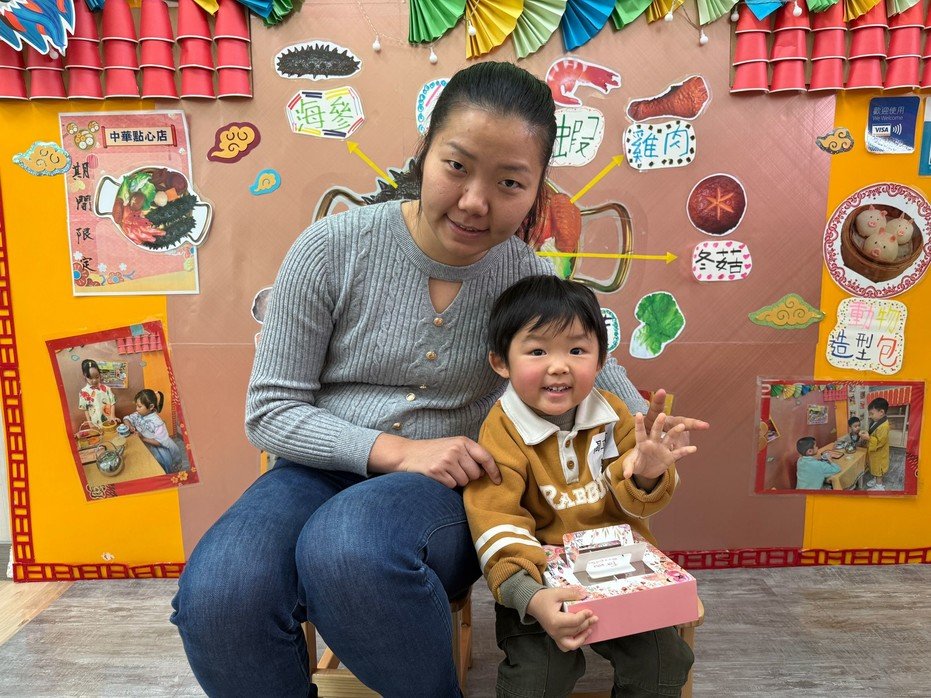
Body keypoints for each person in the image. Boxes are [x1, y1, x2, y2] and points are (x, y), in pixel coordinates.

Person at [171, 61, 706, 698]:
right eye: (456, 166)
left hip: (451, 492)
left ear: (537, 191)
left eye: (510, 183)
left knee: (349, 549)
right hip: (313, 473)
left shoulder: (524, 278)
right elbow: (271, 412)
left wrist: (648, 433)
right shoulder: (330, 249)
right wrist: (397, 451)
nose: (475, 202)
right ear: (424, 153)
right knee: (221, 593)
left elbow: (601, 377)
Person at [464, 275, 697, 697]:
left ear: (601, 359)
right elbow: (496, 519)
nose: (559, 366)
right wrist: (530, 596)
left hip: (619, 570)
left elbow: (637, 505)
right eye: (537, 351)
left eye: (577, 350)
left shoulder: (616, 414)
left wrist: (647, 473)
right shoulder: (501, 430)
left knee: (665, 661)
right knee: (538, 678)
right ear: (501, 362)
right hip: (541, 579)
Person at [122, 389, 183, 473]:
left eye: (139, 406)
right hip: (144, 444)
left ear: (151, 407)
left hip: (158, 449)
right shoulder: (138, 414)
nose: (136, 409)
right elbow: (126, 418)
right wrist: (130, 425)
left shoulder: (157, 423)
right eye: (136, 406)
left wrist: (142, 438)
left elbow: (159, 442)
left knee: (159, 468)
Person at [859, 397, 890, 491]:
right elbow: (873, 433)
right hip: (875, 452)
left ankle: (879, 486)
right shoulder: (877, 421)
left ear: (881, 412)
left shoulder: (884, 426)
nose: (870, 416)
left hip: (879, 453)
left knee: (878, 469)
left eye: (872, 414)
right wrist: (867, 434)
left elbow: (880, 442)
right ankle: (876, 480)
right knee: (874, 467)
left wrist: (868, 438)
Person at [77, 358, 115, 428]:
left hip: (109, 422)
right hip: (95, 424)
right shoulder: (83, 392)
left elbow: (112, 403)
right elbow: (86, 409)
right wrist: (90, 424)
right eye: (90, 378)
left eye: (97, 377)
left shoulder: (106, 389)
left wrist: (113, 416)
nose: (94, 380)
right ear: (85, 376)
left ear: (100, 374)